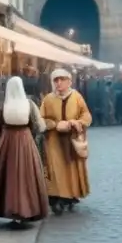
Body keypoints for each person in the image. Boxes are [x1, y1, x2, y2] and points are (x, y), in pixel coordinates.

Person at [0, 76, 49, 227]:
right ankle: (27, 209)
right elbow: (39, 127)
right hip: (25, 141)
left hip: (7, 142)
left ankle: (10, 208)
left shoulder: (2, 106)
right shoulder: (29, 104)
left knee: (8, 176)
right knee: (26, 176)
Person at [41, 68, 92, 214]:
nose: (59, 83)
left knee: (72, 167)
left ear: (69, 81)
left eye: (62, 79)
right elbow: (41, 118)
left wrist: (78, 123)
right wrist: (55, 124)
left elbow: (86, 114)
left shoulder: (77, 97)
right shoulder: (48, 99)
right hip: (54, 140)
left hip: (72, 139)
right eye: (56, 80)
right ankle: (56, 197)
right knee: (55, 168)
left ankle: (71, 195)